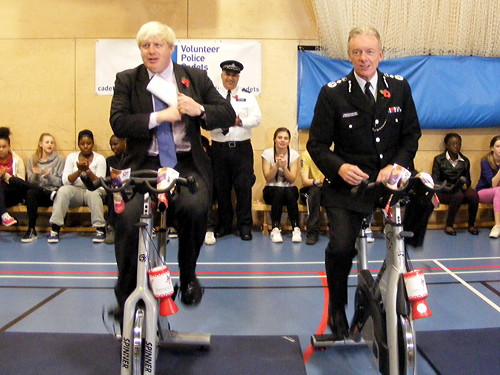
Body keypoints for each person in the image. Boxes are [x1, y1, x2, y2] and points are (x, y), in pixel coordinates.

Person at [109, 21, 235, 321]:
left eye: (158, 45)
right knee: (127, 218)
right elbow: (119, 122)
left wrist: (200, 110)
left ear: (171, 48)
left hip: (185, 162)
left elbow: (227, 114)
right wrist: (158, 117)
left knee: (194, 207)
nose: (151, 51)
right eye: (145, 45)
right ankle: (126, 294)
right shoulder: (127, 79)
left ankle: (188, 276)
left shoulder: (195, 77)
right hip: (144, 163)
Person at [307, 27, 421, 339]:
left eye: (370, 51)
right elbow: (316, 145)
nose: (363, 58)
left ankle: (397, 286)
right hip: (348, 188)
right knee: (342, 246)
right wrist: (340, 167)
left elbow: (412, 135)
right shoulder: (333, 93)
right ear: (349, 55)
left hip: (390, 183)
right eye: (357, 52)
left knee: (421, 208)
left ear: (381, 54)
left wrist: (396, 166)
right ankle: (337, 306)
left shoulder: (399, 88)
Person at [208, 60, 262, 241]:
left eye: (234, 75)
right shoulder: (212, 97)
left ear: (238, 77)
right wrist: (222, 124)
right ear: (222, 75)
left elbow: (257, 119)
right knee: (222, 188)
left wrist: (240, 122)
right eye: (227, 74)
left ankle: (244, 226)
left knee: (244, 187)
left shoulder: (248, 97)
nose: (230, 78)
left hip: (242, 149)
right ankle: (224, 225)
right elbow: (206, 120)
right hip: (219, 148)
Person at [48, 129, 107, 243]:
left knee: (93, 193)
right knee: (63, 190)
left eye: (88, 143)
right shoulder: (71, 157)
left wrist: (89, 172)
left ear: (93, 144)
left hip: (93, 190)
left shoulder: (100, 159)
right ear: (78, 144)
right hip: (76, 192)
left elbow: (101, 186)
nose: (85, 146)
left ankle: (100, 228)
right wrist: (79, 171)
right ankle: (55, 228)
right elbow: (65, 180)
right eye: (82, 144)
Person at [11, 133, 65, 242]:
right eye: (47, 142)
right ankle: (31, 230)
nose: (50, 144)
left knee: (22, 186)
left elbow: (60, 182)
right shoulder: (33, 160)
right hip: (38, 195)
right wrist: (36, 175)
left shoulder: (59, 160)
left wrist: (49, 176)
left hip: (54, 196)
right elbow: (30, 181)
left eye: (52, 142)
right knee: (30, 192)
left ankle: (47, 192)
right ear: (40, 144)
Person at [432, 133, 479, 236]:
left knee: (473, 195)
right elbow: (436, 181)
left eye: (458, 144)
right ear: (447, 146)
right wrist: (450, 187)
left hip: (460, 188)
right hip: (444, 190)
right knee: (458, 195)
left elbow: (468, 179)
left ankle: (471, 224)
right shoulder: (439, 160)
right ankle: (449, 225)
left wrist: (466, 184)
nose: (456, 146)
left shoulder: (465, 160)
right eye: (453, 144)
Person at [262, 127, 302, 243]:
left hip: (288, 191)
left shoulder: (294, 155)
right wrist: (276, 165)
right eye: (279, 137)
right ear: (274, 139)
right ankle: (275, 228)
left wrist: (284, 167)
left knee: (290, 191)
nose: (282, 140)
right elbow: (268, 177)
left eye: (286, 138)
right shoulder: (267, 153)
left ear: (289, 141)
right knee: (278, 191)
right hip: (271, 191)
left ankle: (296, 228)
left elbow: (292, 179)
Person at [475, 135, 500, 238]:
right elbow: (493, 184)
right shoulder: (485, 161)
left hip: (498, 195)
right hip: (483, 192)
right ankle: (497, 225)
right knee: (498, 190)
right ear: (492, 148)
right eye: (498, 146)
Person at [0, 127, 25, 227]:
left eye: (4, 147)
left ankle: (4, 216)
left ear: (9, 146)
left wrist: (6, 176)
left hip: (13, 194)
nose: (1, 150)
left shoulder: (17, 160)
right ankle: (4, 215)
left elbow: (22, 183)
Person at [104, 135, 127, 244]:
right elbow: (106, 180)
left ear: (124, 142)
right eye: (111, 145)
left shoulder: (131, 158)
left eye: (115, 144)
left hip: (130, 188)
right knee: (114, 192)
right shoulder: (110, 160)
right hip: (115, 190)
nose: (113, 147)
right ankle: (111, 226)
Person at [299, 149, 324, 245]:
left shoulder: (329, 155)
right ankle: (312, 232)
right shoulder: (306, 155)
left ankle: (339, 230)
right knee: (315, 191)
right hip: (310, 189)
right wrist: (318, 181)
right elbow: (305, 181)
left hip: (325, 189)